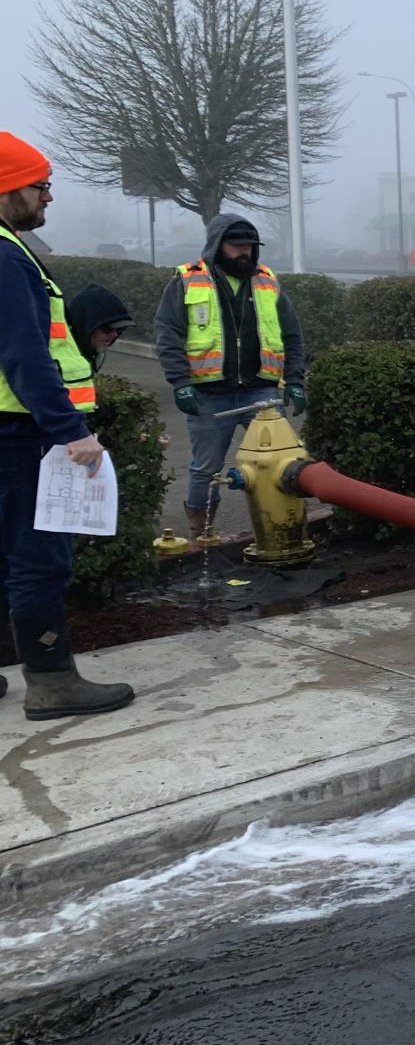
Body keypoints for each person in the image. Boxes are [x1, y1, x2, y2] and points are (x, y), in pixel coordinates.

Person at [0, 132, 135, 719]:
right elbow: (26, 356)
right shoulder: (6, 256)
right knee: (37, 560)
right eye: (39, 185)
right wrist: (70, 431)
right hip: (20, 434)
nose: (48, 196)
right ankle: (53, 681)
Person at [155, 215, 308, 542]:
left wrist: (295, 379)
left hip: (261, 391)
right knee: (206, 469)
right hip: (209, 394)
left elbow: (292, 335)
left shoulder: (267, 281)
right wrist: (180, 383)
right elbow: (168, 335)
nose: (245, 253)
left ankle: (284, 530)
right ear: (217, 244)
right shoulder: (186, 280)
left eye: (250, 247)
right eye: (237, 246)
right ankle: (202, 533)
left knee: (281, 462)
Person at [64, 285, 134, 371]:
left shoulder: (93, 355)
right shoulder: (55, 360)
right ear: (85, 327)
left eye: (120, 329)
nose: (115, 334)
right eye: (107, 329)